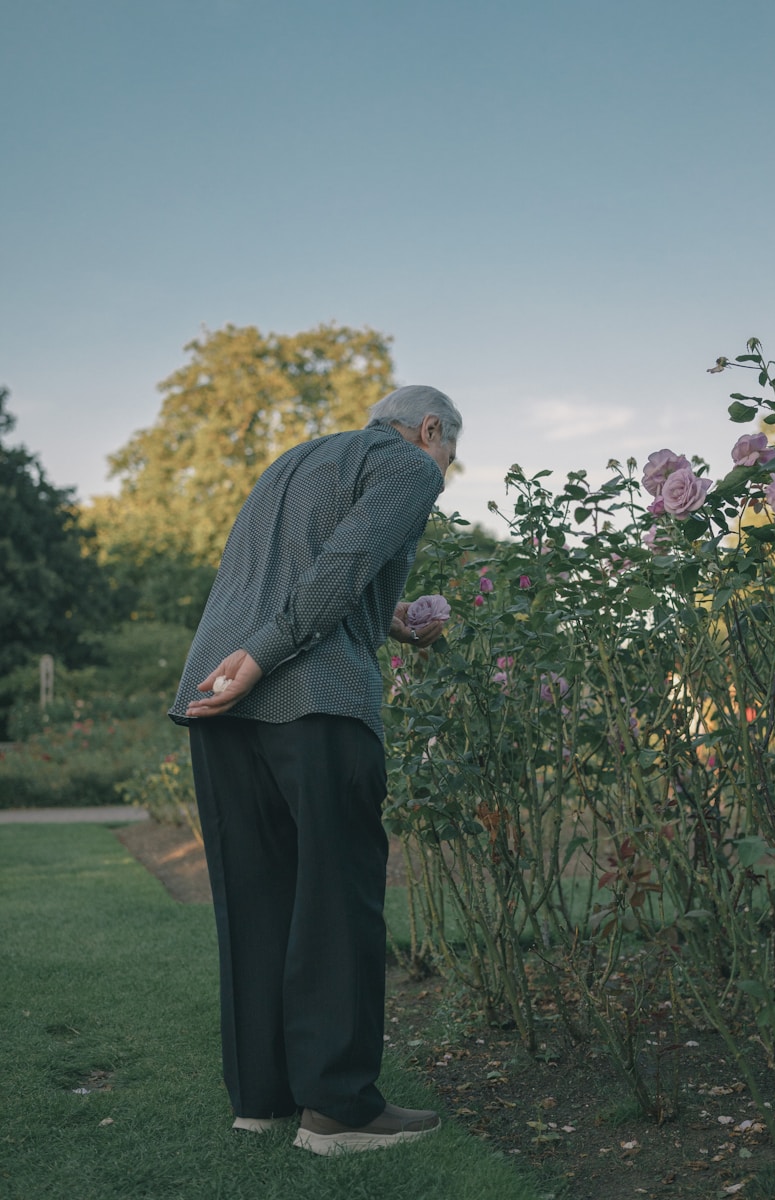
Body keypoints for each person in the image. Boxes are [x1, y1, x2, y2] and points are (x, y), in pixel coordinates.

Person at [168, 384, 461, 1154]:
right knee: (336, 898)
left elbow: (284, 575)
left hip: (214, 690)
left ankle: (261, 1099)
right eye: (449, 455)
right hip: (312, 696)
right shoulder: (409, 465)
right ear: (429, 429)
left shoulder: (294, 462)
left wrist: (393, 621)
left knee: (254, 897)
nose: (443, 472)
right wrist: (265, 656)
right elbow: (347, 560)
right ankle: (338, 1111)